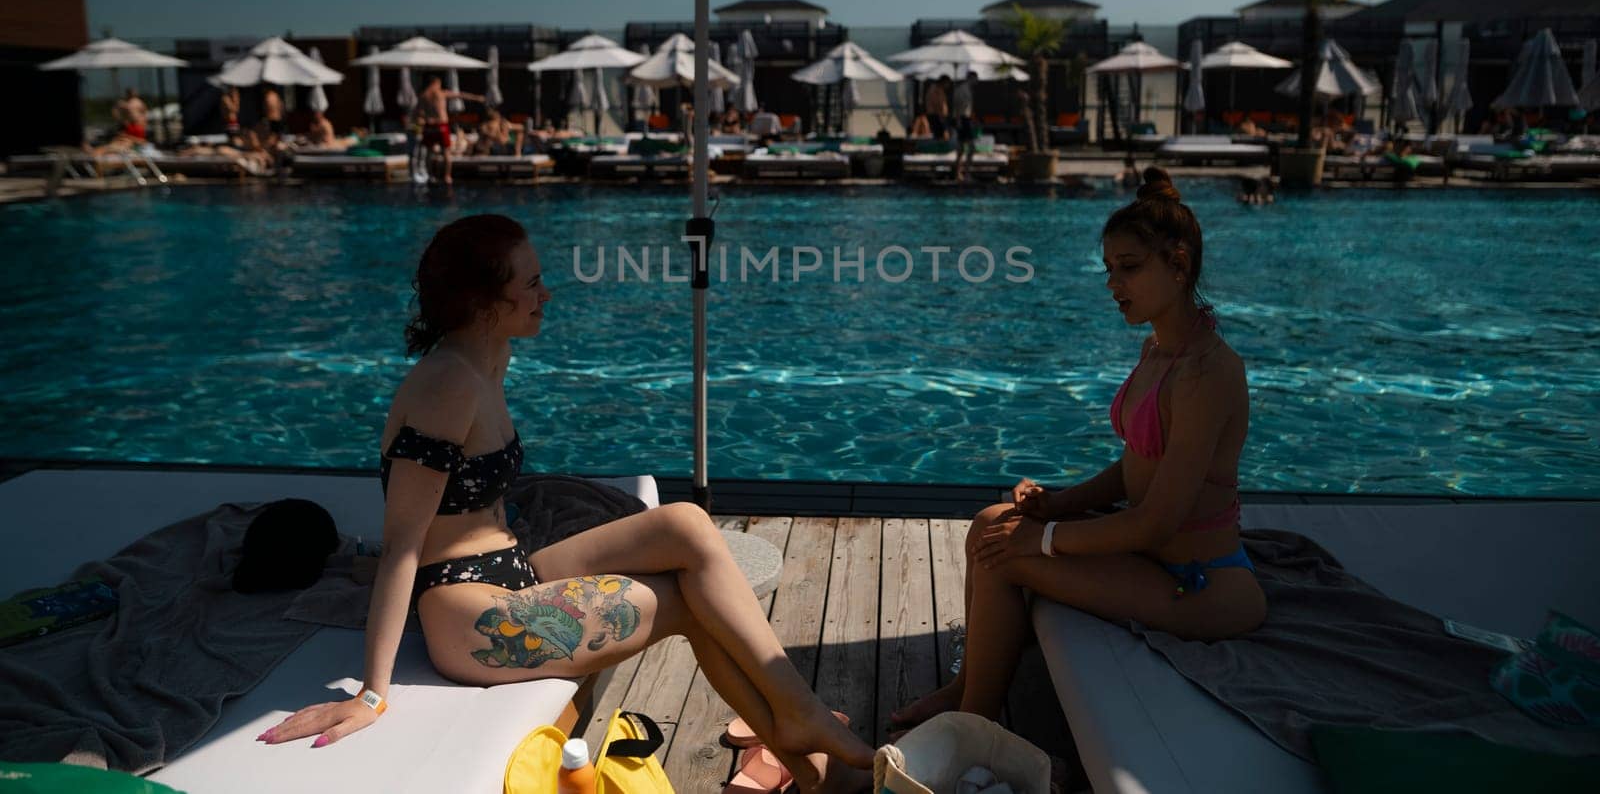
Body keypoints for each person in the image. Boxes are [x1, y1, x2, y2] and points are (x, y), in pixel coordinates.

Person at [262, 216, 874, 792]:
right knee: (691, 601)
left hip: (513, 569)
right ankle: (803, 736)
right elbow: (403, 542)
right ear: (483, 301)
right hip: (465, 611)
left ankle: (799, 722)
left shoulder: (488, 359)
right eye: (530, 283)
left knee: (687, 524)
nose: (545, 294)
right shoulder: (446, 384)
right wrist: (371, 693)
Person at [890, 168, 1265, 727]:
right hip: (1152, 560)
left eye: (1130, 269)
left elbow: (1156, 521)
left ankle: (972, 726)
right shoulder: (1157, 352)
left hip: (1201, 583)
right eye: (1110, 270)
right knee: (993, 524)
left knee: (1007, 548)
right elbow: (1135, 468)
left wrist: (1045, 539)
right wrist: (1054, 504)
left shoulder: (1208, 373)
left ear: (1179, 265)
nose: (1115, 285)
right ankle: (966, 689)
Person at [418, 75, 489, 185]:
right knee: (446, 151)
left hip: (429, 126)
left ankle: (431, 175)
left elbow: (419, 113)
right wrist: (477, 98)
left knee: (429, 153)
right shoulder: (441, 93)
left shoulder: (423, 95)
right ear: (436, 83)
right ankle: (447, 176)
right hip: (441, 125)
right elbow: (460, 95)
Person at [953, 73, 978, 182]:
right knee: (970, 148)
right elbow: (957, 106)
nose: (977, 81)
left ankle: (959, 173)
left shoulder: (965, 89)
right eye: (976, 79)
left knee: (961, 149)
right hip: (963, 120)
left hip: (964, 119)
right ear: (971, 78)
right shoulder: (962, 90)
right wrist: (958, 121)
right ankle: (965, 173)